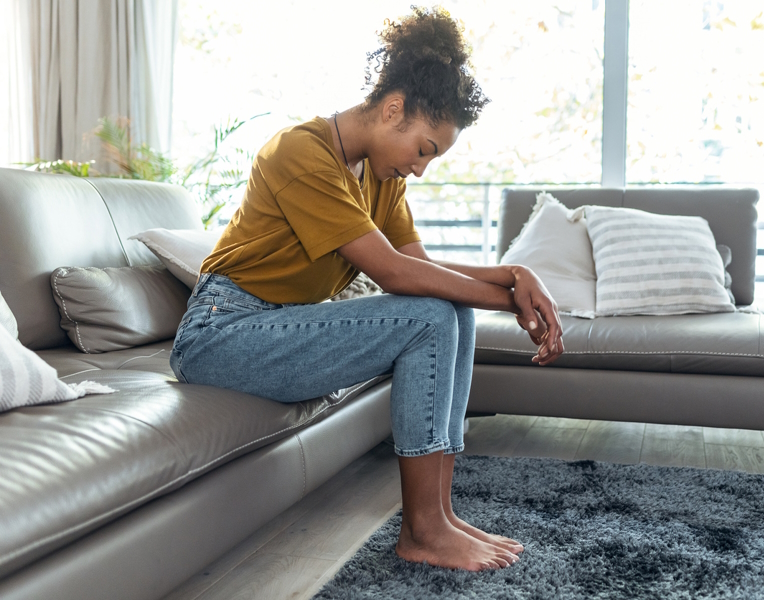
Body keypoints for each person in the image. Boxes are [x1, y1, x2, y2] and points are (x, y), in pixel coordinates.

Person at [170, 6, 564, 572]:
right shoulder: (300, 153)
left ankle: (440, 517)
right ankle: (422, 531)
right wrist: (514, 301)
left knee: (452, 311)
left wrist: (515, 275)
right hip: (222, 335)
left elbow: (421, 268)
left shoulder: (379, 178)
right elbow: (397, 277)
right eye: (424, 150)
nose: (421, 169)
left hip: (280, 325)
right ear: (393, 109)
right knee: (433, 314)